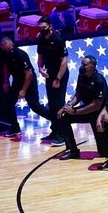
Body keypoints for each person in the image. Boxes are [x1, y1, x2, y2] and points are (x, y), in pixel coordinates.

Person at [0, 36, 53, 138]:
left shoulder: (20, 54)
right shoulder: (4, 54)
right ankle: (15, 128)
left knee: (35, 106)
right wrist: (6, 81)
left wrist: (23, 90)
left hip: (29, 81)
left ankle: (57, 121)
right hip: (17, 81)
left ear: (12, 45)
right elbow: (6, 67)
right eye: (5, 50)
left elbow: (29, 74)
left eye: (9, 49)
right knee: (8, 103)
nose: (8, 51)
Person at [56, 55, 108, 160]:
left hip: (99, 114)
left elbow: (96, 105)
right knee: (64, 117)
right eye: (81, 64)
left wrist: (75, 112)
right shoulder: (82, 76)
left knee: (104, 151)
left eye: (84, 65)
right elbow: (78, 94)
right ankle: (73, 150)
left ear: (92, 66)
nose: (82, 67)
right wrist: (68, 106)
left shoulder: (99, 80)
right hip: (86, 110)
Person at [36, 16, 68, 145]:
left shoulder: (58, 39)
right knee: (52, 104)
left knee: (59, 104)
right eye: (40, 28)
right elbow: (40, 56)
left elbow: (64, 60)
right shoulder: (41, 38)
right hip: (49, 74)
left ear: (50, 26)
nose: (42, 30)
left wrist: (58, 78)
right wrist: (40, 69)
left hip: (60, 74)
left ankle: (63, 135)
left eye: (44, 27)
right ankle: (54, 131)